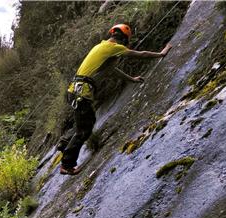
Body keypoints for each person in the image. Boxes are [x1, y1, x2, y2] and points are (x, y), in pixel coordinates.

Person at [58, 23, 172, 175]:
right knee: (84, 130)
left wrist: (131, 79)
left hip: (74, 91)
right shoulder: (114, 48)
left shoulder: (101, 47)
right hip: (82, 92)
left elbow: (112, 70)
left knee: (86, 121)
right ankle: (67, 164)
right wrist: (161, 53)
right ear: (124, 39)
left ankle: (64, 143)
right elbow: (141, 54)